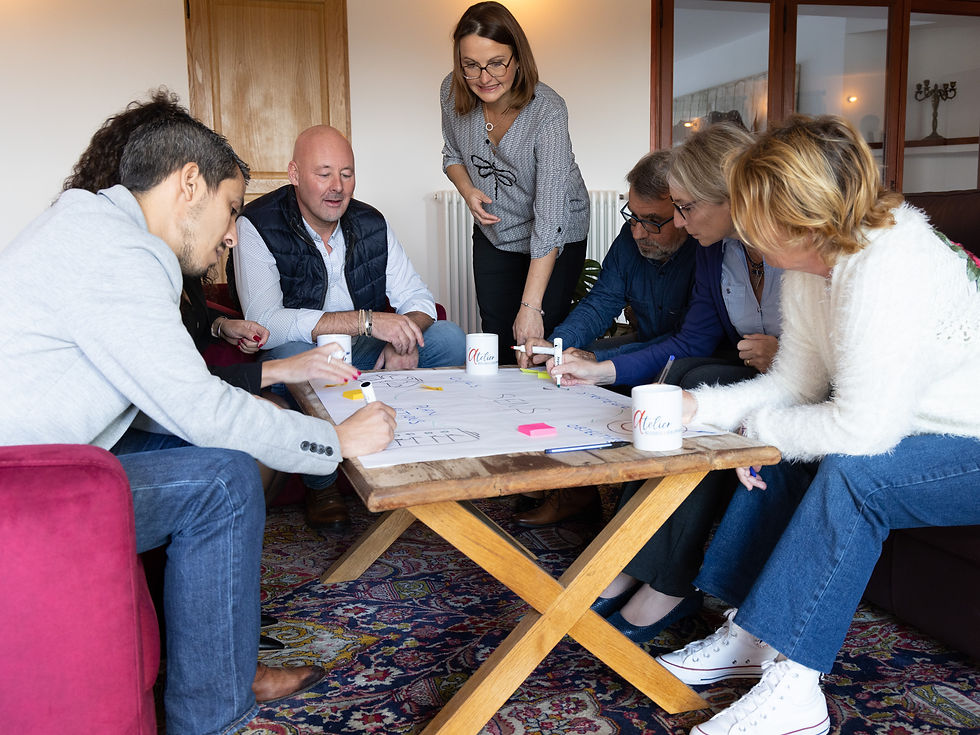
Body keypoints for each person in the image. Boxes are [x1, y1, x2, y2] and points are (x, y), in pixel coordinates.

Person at [0, 101, 396, 735]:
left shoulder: (91, 228)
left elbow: (172, 397)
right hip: (24, 489)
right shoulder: (120, 254)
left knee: (226, 464)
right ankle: (213, 716)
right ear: (189, 183)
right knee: (225, 481)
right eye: (232, 209)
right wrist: (335, 440)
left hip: (50, 460)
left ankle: (224, 673)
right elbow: (199, 408)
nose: (234, 234)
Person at [651, 114, 980, 735]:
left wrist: (760, 432)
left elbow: (863, 432)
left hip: (970, 439)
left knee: (853, 474)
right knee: (790, 434)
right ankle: (751, 634)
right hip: (918, 430)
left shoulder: (888, 261)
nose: (741, 227)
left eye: (751, 212)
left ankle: (795, 689)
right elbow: (792, 387)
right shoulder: (811, 267)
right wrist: (701, 411)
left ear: (794, 212)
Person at [551, 122, 786, 642]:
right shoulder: (711, 246)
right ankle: (634, 557)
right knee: (677, 378)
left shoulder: (786, 242)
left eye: (680, 210)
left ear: (724, 196)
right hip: (735, 364)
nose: (674, 223)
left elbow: (817, 342)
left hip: (782, 374)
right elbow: (690, 329)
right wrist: (576, 356)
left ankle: (670, 581)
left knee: (688, 377)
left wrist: (785, 353)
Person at [231, 124, 465, 529]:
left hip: (368, 351)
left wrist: (402, 338)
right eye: (323, 173)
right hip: (304, 353)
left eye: (347, 173)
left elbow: (420, 300)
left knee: (450, 338)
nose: (337, 187)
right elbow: (265, 320)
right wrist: (366, 321)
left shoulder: (371, 222)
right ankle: (321, 486)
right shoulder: (257, 224)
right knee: (291, 358)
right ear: (294, 174)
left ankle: (418, 458)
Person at [511, 150, 698, 528]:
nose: (637, 231)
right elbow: (602, 301)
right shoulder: (633, 238)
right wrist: (558, 345)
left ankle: (624, 518)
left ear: (682, 212)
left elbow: (686, 341)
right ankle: (575, 493)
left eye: (652, 222)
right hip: (645, 345)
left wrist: (595, 362)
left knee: (586, 370)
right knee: (561, 369)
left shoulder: (703, 248)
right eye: (632, 216)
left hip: (687, 357)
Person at [441, 1, 589, 365]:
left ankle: (545, 421)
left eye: (496, 63)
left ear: (518, 59)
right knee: (496, 334)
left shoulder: (548, 111)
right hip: (495, 229)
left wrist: (531, 306)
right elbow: (451, 155)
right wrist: (467, 190)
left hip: (555, 234)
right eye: (470, 65)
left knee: (538, 338)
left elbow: (550, 215)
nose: (483, 77)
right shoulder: (451, 91)